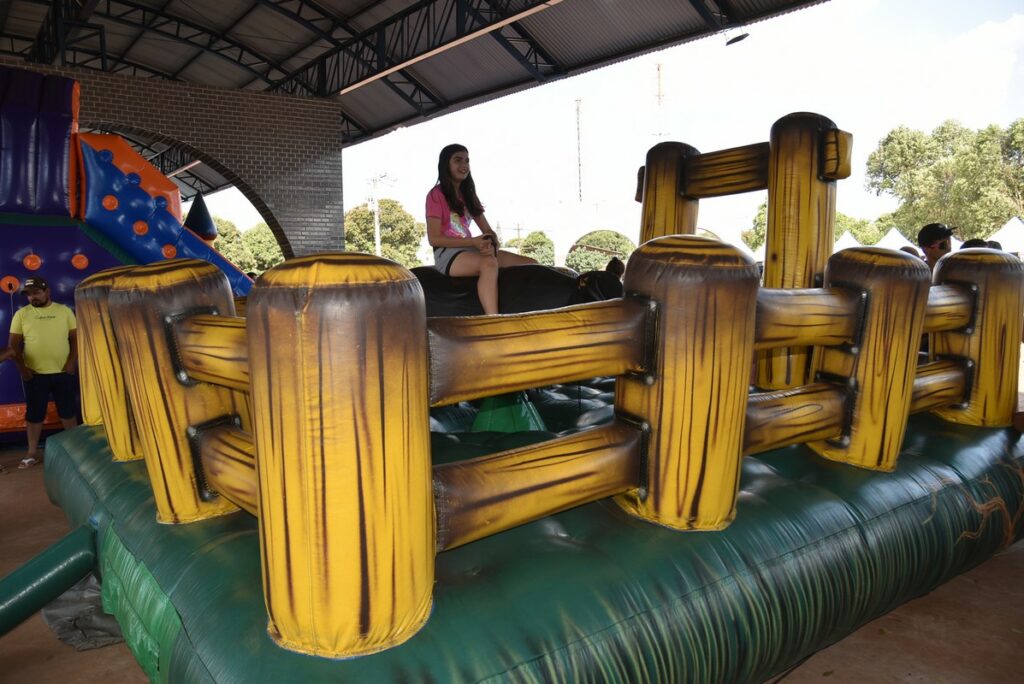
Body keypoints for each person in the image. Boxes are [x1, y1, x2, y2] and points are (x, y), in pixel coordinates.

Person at [425, 144, 535, 315]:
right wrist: (474, 242)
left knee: (530, 264)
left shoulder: (468, 194)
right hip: (447, 253)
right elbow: (434, 239)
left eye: (467, 160)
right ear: (446, 164)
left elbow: (487, 230)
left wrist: (491, 241)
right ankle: (493, 320)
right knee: (489, 263)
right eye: (458, 160)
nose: (464, 165)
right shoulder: (436, 195)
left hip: (470, 248)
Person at [8, 277, 78, 469]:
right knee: (34, 415)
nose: (33, 297)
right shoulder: (21, 315)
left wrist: (72, 362)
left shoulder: (64, 312)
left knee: (68, 412)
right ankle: (32, 453)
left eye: (37, 293)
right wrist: (23, 369)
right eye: (29, 294)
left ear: (47, 292)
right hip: (34, 374)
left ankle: (75, 450)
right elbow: (13, 346)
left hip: (62, 371)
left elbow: (75, 339)